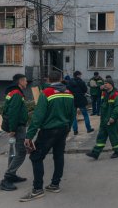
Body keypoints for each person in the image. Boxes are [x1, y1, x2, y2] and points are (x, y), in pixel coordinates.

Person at [20, 71, 75, 202]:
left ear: (48, 79)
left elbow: (38, 117)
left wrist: (29, 135)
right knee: (59, 155)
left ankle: (37, 189)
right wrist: (68, 129)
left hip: (49, 130)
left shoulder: (46, 93)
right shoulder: (69, 94)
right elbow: (72, 114)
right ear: (61, 79)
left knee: (36, 156)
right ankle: (55, 184)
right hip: (63, 129)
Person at [0, 74, 28, 191]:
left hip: (16, 126)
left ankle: (12, 175)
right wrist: (12, 129)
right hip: (18, 127)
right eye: (25, 81)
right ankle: (7, 178)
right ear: (20, 81)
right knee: (21, 152)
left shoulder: (13, 92)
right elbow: (13, 112)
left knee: (14, 152)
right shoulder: (16, 93)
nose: (26, 83)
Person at [86, 78, 118, 160]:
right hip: (104, 119)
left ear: (111, 84)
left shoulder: (115, 94)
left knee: (113, 136)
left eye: (106, 83)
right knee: (101, 135)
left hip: (111, 119)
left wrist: (113, 117)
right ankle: (95, 152)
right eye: (104, 83)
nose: (105, 84)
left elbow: (117, 107)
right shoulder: (105, 93)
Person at [67, 71, 94, 135]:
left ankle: (75, 130)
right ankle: (88, 128)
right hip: (81, 100)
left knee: (73, 116)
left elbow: (68, 90)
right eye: (80, 75)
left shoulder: (70, 82)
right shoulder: (81, 82)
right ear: (78, 75)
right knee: (85, 115)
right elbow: (85, 90)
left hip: (73, 100)